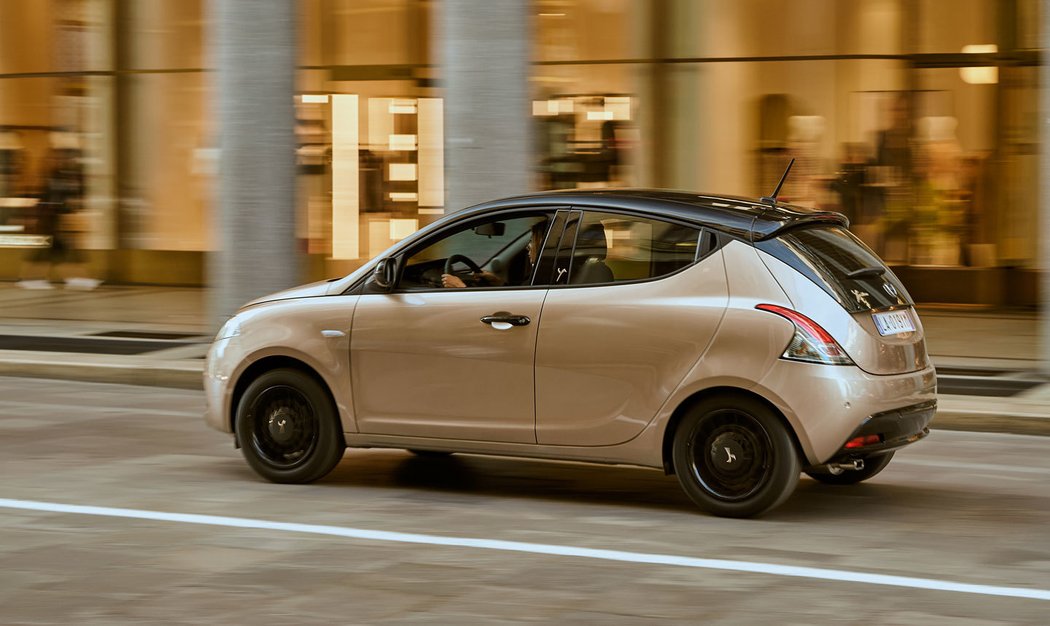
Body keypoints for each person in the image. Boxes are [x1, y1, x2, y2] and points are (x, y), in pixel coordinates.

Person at [17, 143, 101, 290]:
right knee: (53, 253)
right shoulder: (49, 178)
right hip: (50, 223)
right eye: (55, 157)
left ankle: (34, 279)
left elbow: (60, 200)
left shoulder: (57, 176)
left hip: (55, 222)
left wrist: (68, 209)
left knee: (54, 253)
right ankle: (75, 278)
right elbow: (48, 201)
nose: (58, 160)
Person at [441, 219, 548, 288]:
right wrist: (499, 282)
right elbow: (516, 296)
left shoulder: (543, 279)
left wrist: (460, 287)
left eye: (532, 241)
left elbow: (511, 306)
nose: (528, 247)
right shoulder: (541, 276)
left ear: (541, 245)